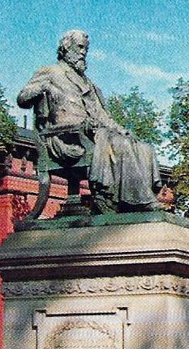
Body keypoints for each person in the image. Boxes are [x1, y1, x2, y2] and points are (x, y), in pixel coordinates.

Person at [17, 30, 164, 212]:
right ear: (65, 48)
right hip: (65, 138)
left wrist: (120, 129)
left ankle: (128, 202)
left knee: (142, 147)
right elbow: (22, 98)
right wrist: (44, 86)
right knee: (119, 144)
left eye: (85, 48)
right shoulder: (50, 72)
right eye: (79, 47)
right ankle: (140, 200)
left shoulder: (88, 83)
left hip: (92, 133)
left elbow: (102, 115)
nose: (83, 52)